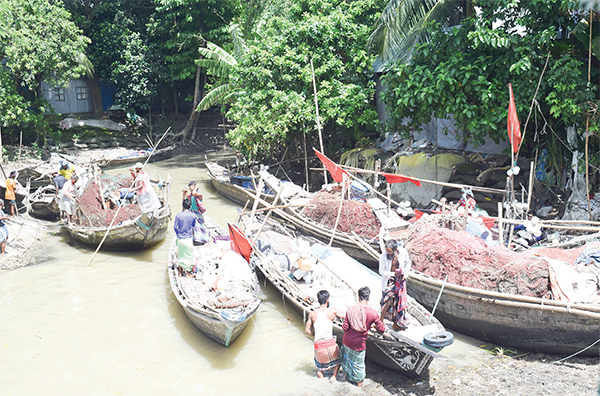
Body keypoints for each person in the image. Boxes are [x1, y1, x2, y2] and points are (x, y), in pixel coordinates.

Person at [341, 286, 385, 387]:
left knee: (347, 361)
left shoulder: (350, 310)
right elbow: (381, 329)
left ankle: (344, 381)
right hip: (358, 344)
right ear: (368, 298)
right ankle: (359, 389)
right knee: (358, 367)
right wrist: (370, 325)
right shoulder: (373, 314)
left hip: (346, 340)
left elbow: (345, 327)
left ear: (359, 298)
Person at [305, 290, 344, 382]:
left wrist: (315, 334)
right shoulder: (332, 311)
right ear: (328, 300)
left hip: (319, 345)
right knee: (338, 362)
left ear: (318, 300)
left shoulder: (312, 314)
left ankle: (321, 383)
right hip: (330, 343)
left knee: (319, 368)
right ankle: (334, 376)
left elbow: (307, 330)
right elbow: (346, 316)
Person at [173, 198, 197, 277]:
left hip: (180, 238)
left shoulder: (178, 215)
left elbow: (175, 227)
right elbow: (193, 226)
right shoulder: (193, 216)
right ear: (190, 206)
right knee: (189, 256)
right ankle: (188, 273)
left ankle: (180, 272)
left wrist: (178, 234)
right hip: (188, 238)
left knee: (180, 255)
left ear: (183, 206)